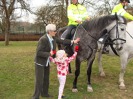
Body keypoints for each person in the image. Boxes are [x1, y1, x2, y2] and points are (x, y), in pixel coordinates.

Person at [32, 24, 80, 99]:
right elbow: (38, 53)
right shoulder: (43, 39)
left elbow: (62, 41)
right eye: (54, 31)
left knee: (46, 78)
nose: (56, 32)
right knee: (39, 80)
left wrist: (73, 41)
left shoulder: (53, 38)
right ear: (50, 31)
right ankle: (35, 97)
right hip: (40, 62)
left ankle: (44, 93)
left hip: (47, 61)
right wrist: (49, 54)